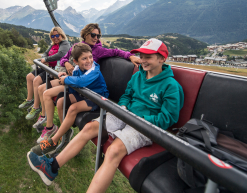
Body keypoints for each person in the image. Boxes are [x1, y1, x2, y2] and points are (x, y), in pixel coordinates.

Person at [27, 38, 184, 191]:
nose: (143, 60)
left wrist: (140, 119)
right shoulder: (138, 76)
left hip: (145, 125)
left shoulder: (171, 86)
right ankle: (52, 167)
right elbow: (127, 95)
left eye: (148, 57)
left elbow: (168, 118)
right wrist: (122, 106)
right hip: (125, 114)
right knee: (89, 128)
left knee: (113, 151)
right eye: (141, 56)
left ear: (162, 58)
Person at [32, 23, 141, 130]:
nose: (96, 38)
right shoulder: (77, 47)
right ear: (85, 34)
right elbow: (64, 58)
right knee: (41, 88)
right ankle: (44, 116)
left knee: (47, 92)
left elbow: (116, 52)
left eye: (98, 36)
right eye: (93, 35)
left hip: (77, 82)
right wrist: (67, 63)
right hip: (73, 76)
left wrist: (131, 56)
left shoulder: (98, 51)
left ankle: (50, 127)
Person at [30, 42, 109, 155]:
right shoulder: (77, 69)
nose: (89, 61)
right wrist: (65, 76)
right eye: (84, 58)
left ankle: (53, 141)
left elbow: (82, 81)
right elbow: (74, 87)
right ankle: (65, 133)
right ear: (75, 61)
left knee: (73, 108)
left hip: (96, 97)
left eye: (90, 57)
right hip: (84, 94)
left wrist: (67, 80)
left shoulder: (94, 70)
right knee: (61, 101)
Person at [19, 27, 70, 121]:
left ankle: (36, 107)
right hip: (47, 67)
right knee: (29, 76)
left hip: (54, 70)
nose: (55, 38)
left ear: (61, 35)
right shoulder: (52, 45)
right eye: (53, 36)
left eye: (57, 35)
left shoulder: (64, 44)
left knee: (36, 80)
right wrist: (44, 58)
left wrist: (47, 59)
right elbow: (44, 54)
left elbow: (61, 54)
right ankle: (29, 99)